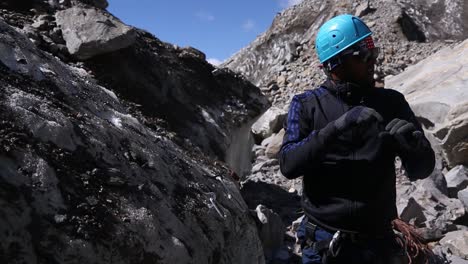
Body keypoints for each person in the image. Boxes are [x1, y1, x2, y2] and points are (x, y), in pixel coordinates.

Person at [279, 14, 435, 264]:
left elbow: (421, 170)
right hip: (324, 243)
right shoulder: (307, 104)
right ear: (335, 64)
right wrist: (337, 128)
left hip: (378, 242)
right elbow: (288, 163)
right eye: (363, 53)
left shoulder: (392, 102)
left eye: (373, 49)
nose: (373, 58)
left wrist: (415, 146)